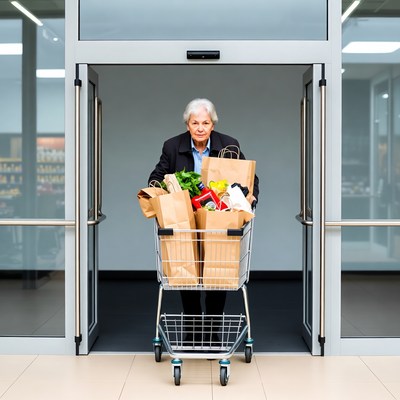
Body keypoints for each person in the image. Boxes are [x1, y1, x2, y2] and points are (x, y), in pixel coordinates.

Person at [148, 98, 259, 339]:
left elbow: (250, 179)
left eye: (205, 123)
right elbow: (157, 175)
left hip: (218, 218)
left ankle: (212, 331)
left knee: (217, 275)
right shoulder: (171, 146)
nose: (200, 127)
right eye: (195, 122)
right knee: (187, 275)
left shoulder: (229, 145)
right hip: (184, 220)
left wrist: (249, 201)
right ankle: (192, 332)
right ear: (187, 124)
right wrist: (157, 190)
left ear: (212, 124)